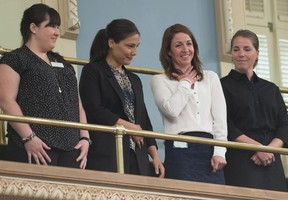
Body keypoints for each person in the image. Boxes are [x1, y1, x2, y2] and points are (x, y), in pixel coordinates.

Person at [0, 3, 90, 169]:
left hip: (72, 149)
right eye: (51, 26)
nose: (57, 32)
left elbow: (77, 105)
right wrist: (28, 137)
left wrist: (85, 138)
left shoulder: (64, 64)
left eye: (58, 27)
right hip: (35, 147)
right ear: (33, 27)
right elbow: (6, 101)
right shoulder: (15, 59)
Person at [79, 19, 165, 177]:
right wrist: (129, 127)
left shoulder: (134, 79)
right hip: (108, 154)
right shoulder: (93, 71)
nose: (134, 52)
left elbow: (143, 120)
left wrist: (155, 155)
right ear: (111, 43)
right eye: (129, 46)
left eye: (136, 46)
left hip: (137, 157)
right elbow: (94, 110)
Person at [150, 23, 227, 184]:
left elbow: (220, 120)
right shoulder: (159, 80)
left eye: (189, 43)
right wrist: (185, 83)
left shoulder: (211, 77)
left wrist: (220, 151)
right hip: (179, 151)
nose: (185, 49)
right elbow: (172, 110)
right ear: (169, 51)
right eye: (178, 45)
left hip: (209, 148)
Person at [220, 29, 288, 192]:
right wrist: (259, 148)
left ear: (257, 53)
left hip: (272, 159)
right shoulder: (221, 85)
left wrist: (269, 149)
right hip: (240, 157)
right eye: (236, 49)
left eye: (247, 49)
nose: (241, 54)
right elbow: (225, 124)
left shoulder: (271, 89)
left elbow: (285, 124)